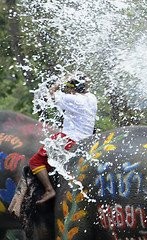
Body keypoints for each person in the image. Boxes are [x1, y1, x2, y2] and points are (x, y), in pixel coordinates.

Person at [29, 72, 98, 204]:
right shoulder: (91, 97)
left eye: (67, 87)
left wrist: (62, 80)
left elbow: (47, 94)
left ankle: (49, 190)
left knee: (35, 162)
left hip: (69, 139)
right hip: (87, 140)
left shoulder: (72, 99)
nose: (65, 89)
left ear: (71, 88)